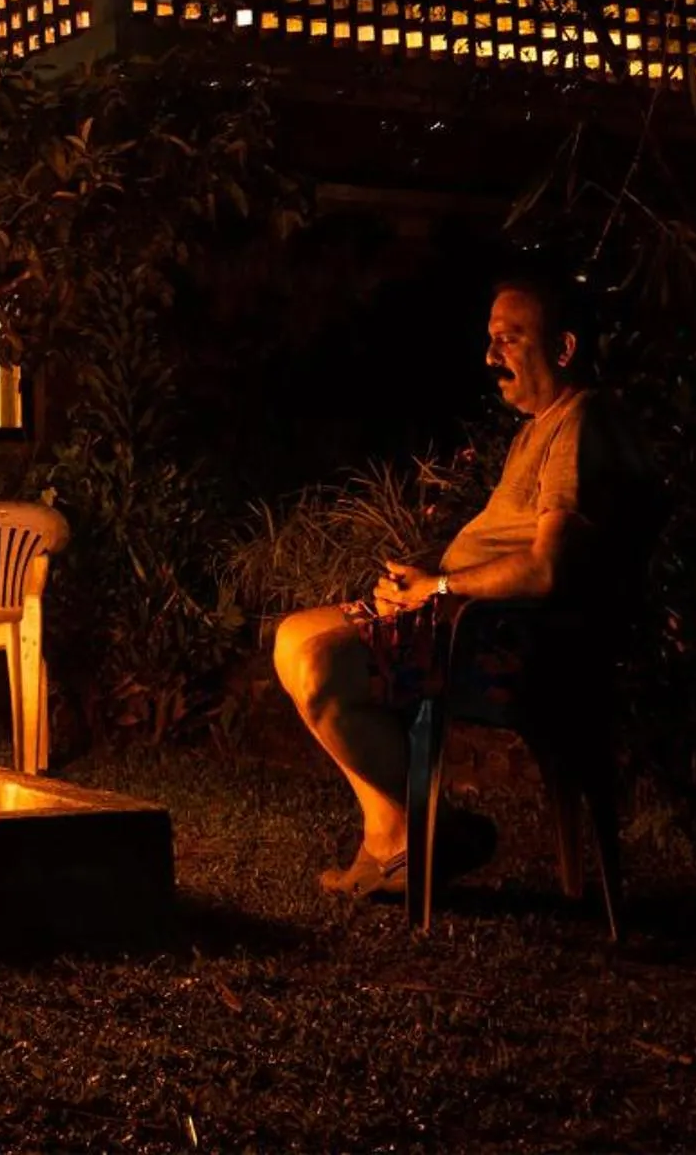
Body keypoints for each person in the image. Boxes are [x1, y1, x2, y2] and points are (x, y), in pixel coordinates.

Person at [271, 272, 652, 899]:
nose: (490, 356)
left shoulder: (581, 423)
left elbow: (547, 570)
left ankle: (429, 834)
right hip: (466, 623)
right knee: (292, 634)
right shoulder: (541, 426)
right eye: (489, 339)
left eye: (509, 339)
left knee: (319, 667)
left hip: (504, 647)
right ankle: (394, 838)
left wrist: (439, 590)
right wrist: (423, 587)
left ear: (563, 348)